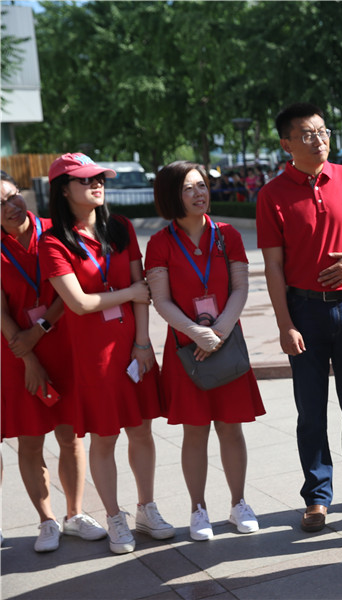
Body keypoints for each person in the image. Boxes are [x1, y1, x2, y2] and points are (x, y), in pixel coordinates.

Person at [257, 102, 342, 534]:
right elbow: (273, 267)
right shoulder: (272, 195)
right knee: (311, 410)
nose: (319, 139)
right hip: (304, 310)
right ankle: (317, 496)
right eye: (307, 134)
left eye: (323, 131)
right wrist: (285, 324)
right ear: (286, 144)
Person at [40, 153, 174, 554]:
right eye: (85, 180)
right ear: (64, 189)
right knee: (105, 436)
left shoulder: (121, 228)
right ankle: (115, 517)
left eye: (99, 178)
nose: (96, 184)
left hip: (133, 346)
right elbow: (78, 303)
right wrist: (130, 294)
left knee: (142, 430)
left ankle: (146, 509)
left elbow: (141, 288)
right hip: (94, 353)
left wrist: (144, 342)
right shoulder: (53, 241)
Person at [145, 161, 265, 542]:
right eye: (188, 188)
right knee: (194, 432)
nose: (200, 193)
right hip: (185, 347)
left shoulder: (226, 234)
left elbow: (241, 289)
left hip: (226, 342)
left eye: (202, 185)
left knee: (232, 428)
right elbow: (160, 301)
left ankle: (239, 503)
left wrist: (220, 331)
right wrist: (198, 333)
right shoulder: (160, 243)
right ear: (170, 195)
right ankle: (198, 509)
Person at [1, 171, 107, 553]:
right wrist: (28, 356)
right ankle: (46, 520)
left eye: (14, 196)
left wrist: (40, 328)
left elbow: (72, 289)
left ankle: (75, 514)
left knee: (71, 436)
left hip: (64, 343)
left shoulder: (55, 231)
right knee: (30, 441)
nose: (11, 207)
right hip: (18, 353)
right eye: (0, 204)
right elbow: (1, 312)